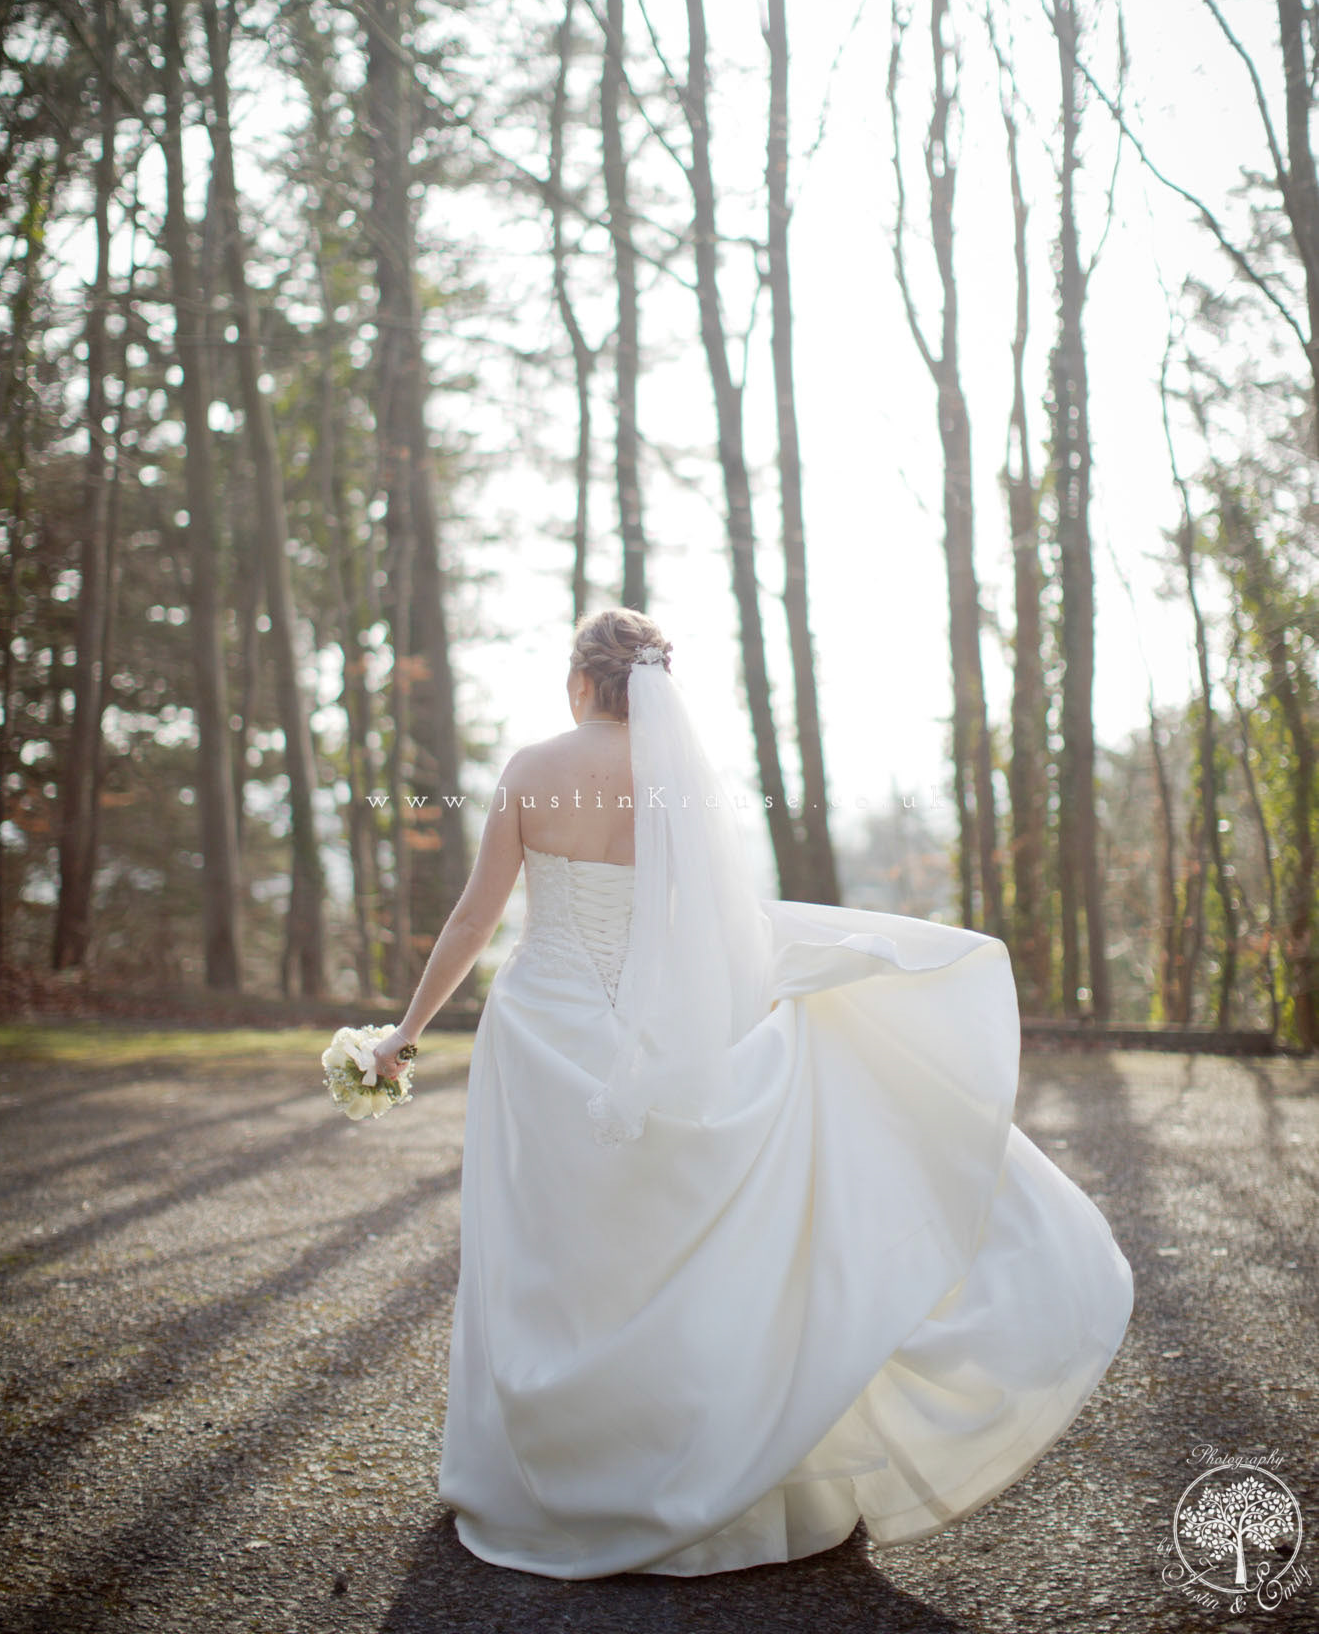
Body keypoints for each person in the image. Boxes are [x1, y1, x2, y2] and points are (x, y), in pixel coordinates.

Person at [372, 605, 1134, 1580]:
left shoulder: (530, 768)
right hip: (648, 1028)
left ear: (581, 680)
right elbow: (711, 922)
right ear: (650, 683)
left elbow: (474, 918)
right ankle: (686, 1455)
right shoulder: (678, 778)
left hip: (540, 1025)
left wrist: (406, 1030)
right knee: (655, 1239)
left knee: (547, 1244)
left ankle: (546, 1469)